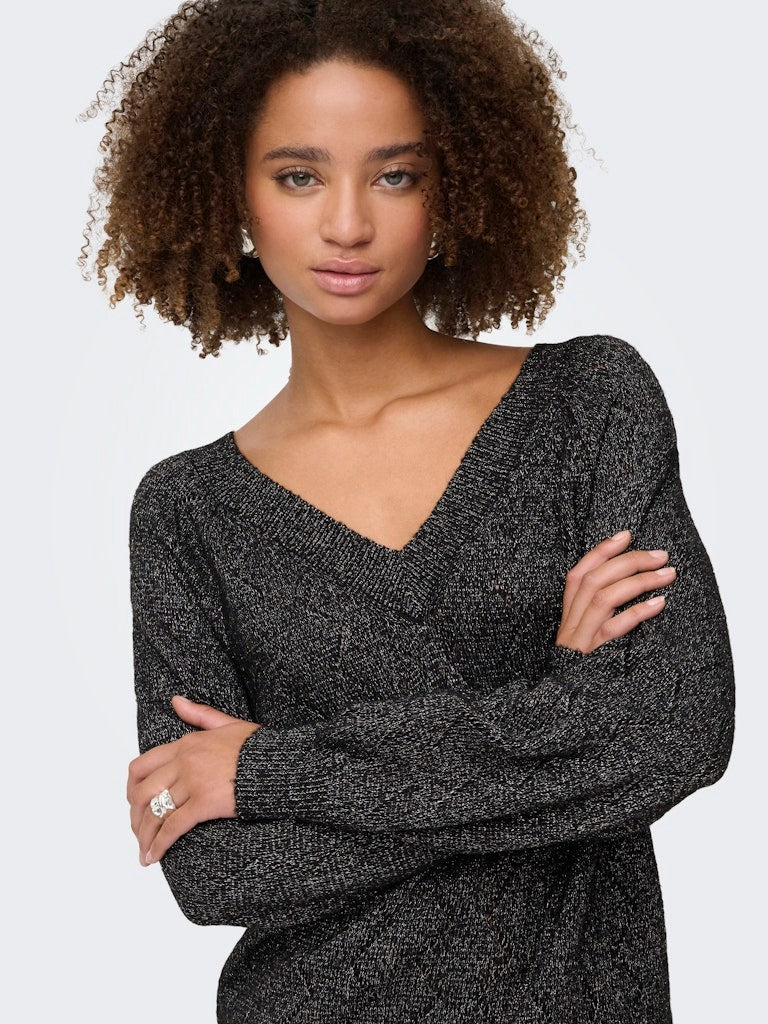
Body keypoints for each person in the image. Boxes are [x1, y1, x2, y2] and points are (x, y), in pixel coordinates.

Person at [80, 2, 735, 1021]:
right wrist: (559, 711)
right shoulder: (188, 512)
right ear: (231, 193)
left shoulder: (587, 405)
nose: (348, 223)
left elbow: (673, 731)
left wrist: (267, 771)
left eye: (395, 175)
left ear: (455, 183)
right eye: (299, 176)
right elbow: (214, 871)